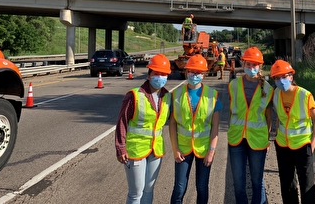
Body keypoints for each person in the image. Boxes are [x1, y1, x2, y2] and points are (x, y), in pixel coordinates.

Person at [115, 53, 172, 204]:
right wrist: (120, 148)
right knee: (136, 192)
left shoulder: (167, 97)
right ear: (149, 75)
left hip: (155, 149)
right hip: (136, 150)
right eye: (157, 73)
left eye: (164, 74)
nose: (160, 77)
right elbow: (122, 122)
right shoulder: (134, 95)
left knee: (149, 189)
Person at [170, 54, 222, 204]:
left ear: (204, 74)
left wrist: (211, 152)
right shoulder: (176, 94)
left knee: (202, 187)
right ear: (187, 72)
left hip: (204, 149)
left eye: (198, 72)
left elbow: (215, 128)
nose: (195, 75)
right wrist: (175, 149)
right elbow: (172, 124)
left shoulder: (212, 95)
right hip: (182, 149)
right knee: (179, 188)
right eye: (192, 71)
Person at [270, 59, 315, 204]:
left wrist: (312, 145)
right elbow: (279, 118)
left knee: (307, 186)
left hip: (302, 145)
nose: (281, 80)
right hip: (282, 145)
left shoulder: (304, 95)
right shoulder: (276, 94)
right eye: (277, 78)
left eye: (284, 76)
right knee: (287, 184)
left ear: (291, 76)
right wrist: (275, 136)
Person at [228, 46, 274, 204]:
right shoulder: (233, 85)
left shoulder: (267, 89)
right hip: (236, 139)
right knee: (239, 184)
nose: (251, 68)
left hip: (258, 140)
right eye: (248, 64)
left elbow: (269, 116)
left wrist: (267, 139)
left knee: (257, 182)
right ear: (243, 64)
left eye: (254, 65)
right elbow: (231, 112)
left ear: (260, 66)